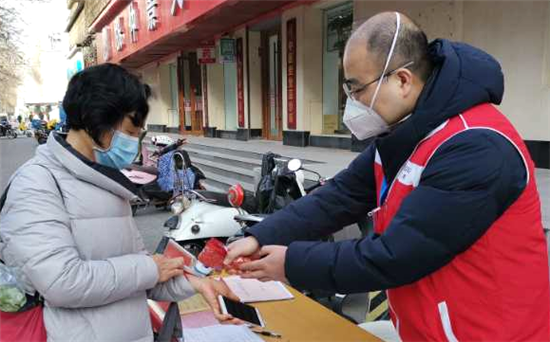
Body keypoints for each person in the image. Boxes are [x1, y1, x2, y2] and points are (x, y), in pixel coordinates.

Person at [224, 11, 550, 341]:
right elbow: (341, 195)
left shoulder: (476, 146)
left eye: (357, 89)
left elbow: (398, 255)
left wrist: (292, 263)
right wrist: (261, 236)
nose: (352, 104)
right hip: (428, 329)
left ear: (403, 80)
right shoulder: (407, 133)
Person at [0, 63, 240, 342]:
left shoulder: (106, 181)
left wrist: (195, 282)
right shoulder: (37, 184)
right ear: (98, 116)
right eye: (131, 126)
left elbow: (137, 278)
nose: (136, 138)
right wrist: (150, 269)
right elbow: (62, 283)